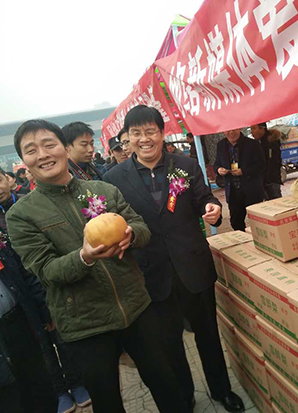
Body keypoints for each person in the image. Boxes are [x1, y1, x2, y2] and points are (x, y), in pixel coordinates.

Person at [7, 119, 190, 413]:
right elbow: (46, 271)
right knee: (107, 402)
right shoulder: (21, 215)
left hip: (136, 307)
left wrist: (131, 235)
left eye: (49, 144)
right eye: (31, 150)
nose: (42, 154)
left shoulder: (101, 189)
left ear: (64, 148)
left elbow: (141, 228)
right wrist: (85, 257)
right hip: (86, 325)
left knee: (166, 384)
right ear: (24, 160)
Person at [104, 105, 244, 413]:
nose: (144, 139)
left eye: (150, 131)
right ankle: (185, 396)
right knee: (169, 345)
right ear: (127, 138)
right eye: (136, 133)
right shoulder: (114, 179)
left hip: (193, 266)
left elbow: (203, 198)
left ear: (162, 133)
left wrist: (212, 208)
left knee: (208, 335)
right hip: (151, 274)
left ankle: (222, 390)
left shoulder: (185, 165)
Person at [0, 168, 58, 413]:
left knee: (39, 388)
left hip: (19, 316)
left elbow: (23, 270)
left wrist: (43, 310)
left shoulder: (9, 219)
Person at [214, 128, 265, 231]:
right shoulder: (221, 145)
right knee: (236, 222)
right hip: (233, 190)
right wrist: (219, 170)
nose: (231, 133)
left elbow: (262, 165)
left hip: (251, 189)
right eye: (228, 130)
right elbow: (217, 163)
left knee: (258, 221)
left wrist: (244, 171)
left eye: (234, 130)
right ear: (223, 131)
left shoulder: (252, 144)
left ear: (239, 128)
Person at [251, 123, 282, 200]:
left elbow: (273, 163)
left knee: (276, 202)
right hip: (262, 181)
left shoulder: (271, 142)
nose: (251, 132)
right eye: (251, 129)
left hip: (271, 180)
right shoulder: (258, 143)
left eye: (254, 128)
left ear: (262, 129)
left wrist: (267, 179)